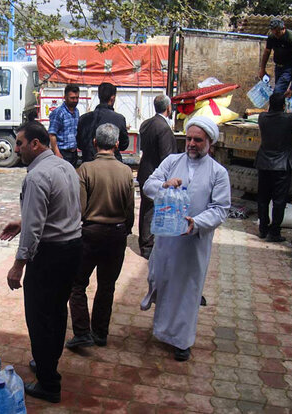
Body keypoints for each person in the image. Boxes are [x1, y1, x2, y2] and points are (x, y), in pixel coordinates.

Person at [0, 121, 82, 403]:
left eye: (20, 143)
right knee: (57, 311)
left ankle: (48, 383)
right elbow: (57, 211)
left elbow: (35, 228)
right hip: (72, 248)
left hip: (50, 255)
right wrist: (23, 222)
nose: (16, 149)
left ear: (36, 144)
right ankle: (47, 361)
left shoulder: (36, 177)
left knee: (39, 316)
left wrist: (18, 266)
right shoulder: (65, 166)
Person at [140, 116, 230, 362]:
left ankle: (182, 341)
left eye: (197, 140)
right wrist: (164, 185)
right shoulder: (171, 161)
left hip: (193, 244)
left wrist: (196, 224)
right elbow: (149, 185)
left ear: (209, 142)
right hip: (167, 240)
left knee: (187, 291)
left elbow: (221, 209)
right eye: (189, 138)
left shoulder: (218, 173)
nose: (191, 143)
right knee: (164, 281)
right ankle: (162, 330)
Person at [66, 123, 134, 349]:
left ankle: (82, 331)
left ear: (95, 143)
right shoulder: (126, 172)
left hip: (90, 234)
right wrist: (126, 230)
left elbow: (79, 209)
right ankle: (100, 333)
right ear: (117, 145)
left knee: (77, 284)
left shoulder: (85, 169)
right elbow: (129, 210)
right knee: (107, 286)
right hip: (116, 235)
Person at [256, 93, 292, 243]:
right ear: (284, 106)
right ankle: (274, 231)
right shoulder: (288, 119)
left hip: (264, 163)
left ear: (269, 104)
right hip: (282, 165)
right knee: (279, 200)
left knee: (263, 198)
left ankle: (263, 228)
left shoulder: (262, 117)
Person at [137, 95, 177, 259]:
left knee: (146, 209)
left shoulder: (147, 123)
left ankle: (145, 242)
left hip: (144, 170)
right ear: (168, 108)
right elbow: (166, 157)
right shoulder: (163, 128)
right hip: (155, 174)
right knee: (152, 210)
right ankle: (148, 245)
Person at [77, 82, 129, 163]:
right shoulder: (119, 119)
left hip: (89, 163)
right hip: (112, 165)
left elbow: (80, 144)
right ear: (112, 98)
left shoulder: (84, 118)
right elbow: (123, 145)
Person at [258, 18, 292, 94]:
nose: (276, 35)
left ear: (283, 28)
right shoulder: (272, 37)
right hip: (278, 67)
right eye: (274, 32)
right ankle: (280, 104)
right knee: (280, 90)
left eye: (277, 33)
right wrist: (262, 69)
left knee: (278, 91)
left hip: (289, 68)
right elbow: (267, 52)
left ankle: (276, 104)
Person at [48, 84, 80, 167]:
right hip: (62, 152)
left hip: (73, 153)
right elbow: (52, 134)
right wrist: (57, 152)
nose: (75, 100)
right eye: (72, 98)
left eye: (77, 98)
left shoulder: (76, 112)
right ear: (65, 97)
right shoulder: (59, 113)